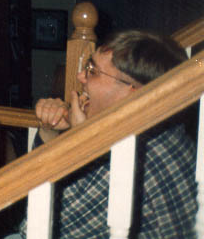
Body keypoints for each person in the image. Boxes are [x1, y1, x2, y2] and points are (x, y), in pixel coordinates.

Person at [13, 29, 197, 238]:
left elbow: (34, 226)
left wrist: (81, 140)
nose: (80, 76)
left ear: (133, 93)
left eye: (93, 71)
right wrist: (49, 131)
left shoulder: (135, 153)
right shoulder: (154, 129)